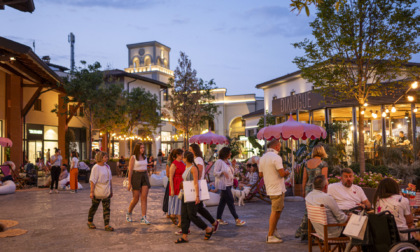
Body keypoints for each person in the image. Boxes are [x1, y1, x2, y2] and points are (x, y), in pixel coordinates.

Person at [175, 151, 214, 244]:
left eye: (183, 157)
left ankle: (207, 229)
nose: (182, 158)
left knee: (192, 215)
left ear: (186, 158)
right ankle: (184, 236)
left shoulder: (193, 168)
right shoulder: (186, 167)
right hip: (185, 193)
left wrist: (197, 196)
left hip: (192, 194)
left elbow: (196, 182)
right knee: (184, 215)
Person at [295, 145, 329, 240]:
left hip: (308, 189)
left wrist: (303, 190)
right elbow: (324, 179)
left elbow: (304, 178)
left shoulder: (307, 163)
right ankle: (314, 232)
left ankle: (306, 233)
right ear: (322, 152)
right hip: (318, 189)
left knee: (309, 210)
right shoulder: (323, 164)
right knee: (318, 211)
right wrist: (326, 191)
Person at [259, 139, 290, 243]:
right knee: (275, 211)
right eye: (280, 146)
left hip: (270, 187)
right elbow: (281, 173)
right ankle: (270, 235)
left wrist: (270, 173)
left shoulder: (263, 158)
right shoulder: (276, 157)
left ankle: (274, 230)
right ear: (276, 147)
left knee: (278, 210)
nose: (280, 148)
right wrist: (287, 172)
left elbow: (260, 174)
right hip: (277, 188)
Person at [306, 175, 349, 240]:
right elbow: (342, 219)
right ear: (326, 186)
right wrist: (350, 217)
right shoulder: (327, 198)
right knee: (359, 225)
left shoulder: (308, 196)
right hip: (333, 233)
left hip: (319, 231)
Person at [189, 144, 219, 231]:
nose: (189, 151)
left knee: (194, 210)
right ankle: (213, 222)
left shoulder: (198, 159)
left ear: (195, 150)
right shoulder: (196, 159)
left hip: (197, 185)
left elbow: (199, 171)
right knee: (199, 208)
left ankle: (187, 229)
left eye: (191, 149)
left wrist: (195, 183)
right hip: (197, 184)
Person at [214, 147, 246, 226]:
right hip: (223, 184)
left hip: (229, 184)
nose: (231, 154)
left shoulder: (228, 162)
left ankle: (218, 219)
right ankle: (237, 219)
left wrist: (234, 165)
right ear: (226, 153)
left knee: (222, 202)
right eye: (229, 152)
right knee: (231, 201)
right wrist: (222, 172)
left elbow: (232, 172)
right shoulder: (219, 162)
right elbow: (215, 173)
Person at [87, 151, 114, 231]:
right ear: (101, 158)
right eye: (105, 157)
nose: (107, 158)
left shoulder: (107, 166)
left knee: (107, 208)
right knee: (94, 206)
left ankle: (106, 224)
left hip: (106, 189)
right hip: (98, 189)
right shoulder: (96, 167)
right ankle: (90, 221)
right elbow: (92, 180)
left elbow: (110, 179)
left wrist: (111, 189)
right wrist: (91, 192)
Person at [126, 142, 151, 224]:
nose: (142, 149)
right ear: (137, 149)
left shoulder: (145, 157)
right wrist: (129, 183)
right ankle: (129, 212)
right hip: (136, 176)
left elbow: (146, 169)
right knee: (136, 198)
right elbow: (130, 171)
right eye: (141, 148)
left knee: (144, 197)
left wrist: (148, 179)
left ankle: (144, 217)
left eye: (143, 147)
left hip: (144, 176)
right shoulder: (133, 157)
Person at [169, 149, 185, 229]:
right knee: (178, 203)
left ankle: (175, 216)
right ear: (178, 155)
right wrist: (172, 189)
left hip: (182, 183)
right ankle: (180, 221)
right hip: (176, 184)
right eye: (182, 154)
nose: (183, 156)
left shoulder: (182, 163)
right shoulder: (173, 164)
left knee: (180, 203)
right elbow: (171, 178)